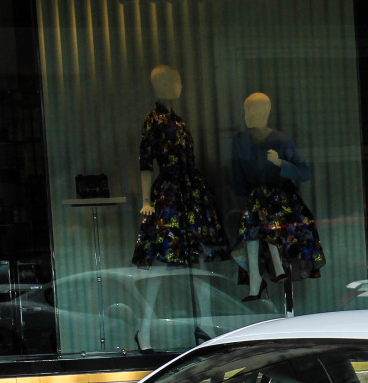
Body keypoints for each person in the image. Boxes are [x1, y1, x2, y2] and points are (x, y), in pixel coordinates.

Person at [231, 92, 326, 312]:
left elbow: (304, 171)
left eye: (252, 110)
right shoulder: (241, 141)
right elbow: (238, 175)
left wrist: (279, 163)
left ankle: (277, 269)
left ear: (265, 112)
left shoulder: (280, 140)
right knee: (251, 235)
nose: (248, 116)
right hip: (255, 200)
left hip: (280, 199)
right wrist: (241, 202)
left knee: (271, 227)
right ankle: (255, 282)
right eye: (246, 111)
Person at [131, 65, 228, 268]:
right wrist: (146, 200)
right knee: (164, 247)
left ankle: (204, 301)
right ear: (161, 85)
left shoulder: (179, 122)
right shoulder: (152, 121)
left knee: (198, 251)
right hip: (170, 191)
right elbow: (146, 160)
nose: (180, 86)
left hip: (192, 191)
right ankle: (149, 300)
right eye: (176, 81)